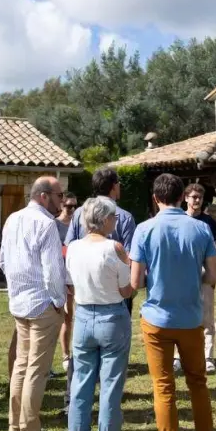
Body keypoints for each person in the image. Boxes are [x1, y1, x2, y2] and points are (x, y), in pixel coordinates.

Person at [130, 173, 216, 431]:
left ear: (156, 199)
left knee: (164, 388)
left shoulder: (144, 229)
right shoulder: (199, 229)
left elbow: (135, 281)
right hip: (190, 318)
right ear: (182, 197)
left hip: (157, 318)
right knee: (198, 383)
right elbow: (214, 275)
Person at [66, 197, 135, 431]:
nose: (116, 222)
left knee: (81, 381)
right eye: (114, 218)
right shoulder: (114, 247)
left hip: (83, 316)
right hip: (112, 316)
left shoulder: (73, 248)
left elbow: (70, 282)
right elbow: (126, 288)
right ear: (105, 219)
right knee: (110, 383)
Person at [1, 176, 67, 431]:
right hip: (41, 305)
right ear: (44, 196)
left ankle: (15, 427)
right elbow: (53, 270)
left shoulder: (12, 219)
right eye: (59, 196)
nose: (62, 201)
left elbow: (3, 261)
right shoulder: (46, 224)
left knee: (21, 366)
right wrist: (59, 301)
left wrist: (18, 287)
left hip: (20, 302)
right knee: (36, 371)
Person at [63, 167, 136, 413]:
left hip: (84, 293)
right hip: (115, 296)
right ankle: (108, 401)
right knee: (112, 357)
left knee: (81, 358)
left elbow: (68, 248)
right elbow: (129, 258)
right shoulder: (123, 216)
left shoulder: (78, 215)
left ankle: (72, 400)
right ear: (114, 186)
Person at [174, 183, 216, 375]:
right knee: (180, 315)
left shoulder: (209, 222)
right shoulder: (178, 220)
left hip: (204, 270)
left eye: (199, 197)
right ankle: (178, 357)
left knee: (207, 316)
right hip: (183, 272)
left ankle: (208, 357)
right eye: (193, 197)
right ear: (185, 198)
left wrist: (212, 276)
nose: (197, 200)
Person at [57, 191, 78, 372]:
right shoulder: (55, 225)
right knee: (66, 315)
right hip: (61, 274)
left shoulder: (78, 224)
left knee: (79, 314)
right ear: (61, 205)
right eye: (68, 206)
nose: (71, 209)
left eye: (74, 206)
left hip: (77, 272)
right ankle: (65, 354)